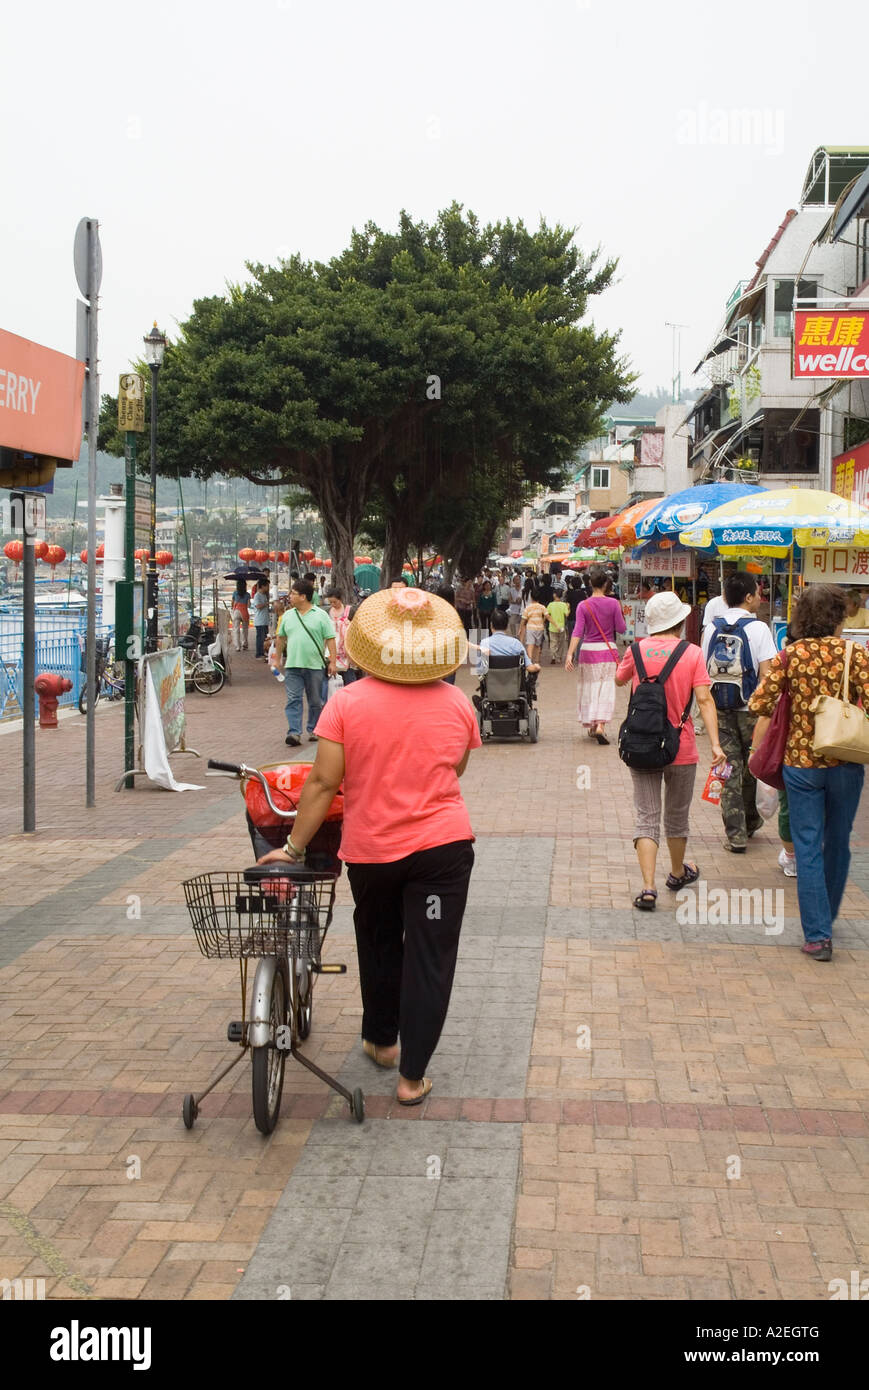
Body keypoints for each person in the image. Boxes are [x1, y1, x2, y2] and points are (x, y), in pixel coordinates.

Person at [256, 586, 480, 1104]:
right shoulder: (456, 703)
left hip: (372, 853)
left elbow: (320, 784)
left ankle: (382, 1041)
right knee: (431, 955)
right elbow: (456, 767)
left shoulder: (346, 704)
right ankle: (411, 1078)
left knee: (379, 941)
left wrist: (292, 849)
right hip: (442, 850)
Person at [748, 585, 869, 960]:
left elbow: (759, 703)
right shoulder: (856, 654)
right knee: (838, 841)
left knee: (806, 844)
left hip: (801, 762)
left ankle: (817, 934)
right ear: (839, 615)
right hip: (846, 759)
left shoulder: (791, 655)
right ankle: (826, 918)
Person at [615, 592, 726, 911]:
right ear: (679, 622)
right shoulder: (691, 654)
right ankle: (677, 872)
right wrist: (715, 744)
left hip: (642, 745)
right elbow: (705, 700)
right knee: (677, 818)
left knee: (646, 817)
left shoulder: (636, 650)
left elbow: (620, 680)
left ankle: (648, 888)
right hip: (682, 746)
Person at [701, 571, 776, 852]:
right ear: (748, 598)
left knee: (727, 770)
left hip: (719, 708)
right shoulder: (760, 629)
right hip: (751, 711)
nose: (760, 598)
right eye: (758, 593)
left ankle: (736, 834)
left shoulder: (711, 628)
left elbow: (703, 670)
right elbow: (767, 676)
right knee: (753, 766)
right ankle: (752, 821)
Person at [565, 564, 626, 744]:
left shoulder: (583, 605)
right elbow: (621, 628)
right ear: (606, 584)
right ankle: (600, 725)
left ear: (591, 584)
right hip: (608, 651)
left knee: (590, 688)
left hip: (588, 652)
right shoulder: (613, 603)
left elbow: (577, 631)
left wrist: (569, 654)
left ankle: (592, 725)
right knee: (605, 687)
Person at [276, 579, 337, 747]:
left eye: (293, 593)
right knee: (293, 699)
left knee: (315, 700)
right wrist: (277, 659)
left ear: (303, 597)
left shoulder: (320, 615)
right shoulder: (288, 615)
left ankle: (314, 729)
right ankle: (294, 732)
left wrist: (332, 661)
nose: (290, 596)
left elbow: (330, 639)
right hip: (293, 665)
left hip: (315, 666)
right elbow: (281, 639)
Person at [326, 588, 358, 684]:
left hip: (346, 650)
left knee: (349, 678)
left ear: (340, 599)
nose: (333, 605)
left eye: (334, 602)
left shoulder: (350, 611)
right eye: (330, 602)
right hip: (331, 649)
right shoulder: (328, 612)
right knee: (331, 679)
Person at [519, 589, 549, 664]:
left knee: (530, 644)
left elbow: (523, 620)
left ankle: (529, 660)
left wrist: (520, 628)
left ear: (531, 597)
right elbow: (546, 615)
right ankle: (537, 661)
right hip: (540, 628)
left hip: (530, 628)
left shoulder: (528, 607)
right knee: (538, 645)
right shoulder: (542, 607)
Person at [545, 591, 570, 665]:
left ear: (554, 595)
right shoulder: (563, 604)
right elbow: (567, 615)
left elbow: (547, 615)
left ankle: (553, 656)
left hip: (552, 627)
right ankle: (558, 657)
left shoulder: (550, 604)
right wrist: (568, 608)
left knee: (553, 642)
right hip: (561, 627)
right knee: (561, 643)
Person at [251, 578, 271, 658]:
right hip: (259, 621)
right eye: (267, 586)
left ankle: (263, 652)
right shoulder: (257, 596)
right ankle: (259, 653)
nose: (268, 588)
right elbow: (258, 606)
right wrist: (267, 603)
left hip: (265, 620)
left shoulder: (264, 595)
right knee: (260, 638)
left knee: (265, 638)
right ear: (262, 586)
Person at [231, 579, 251, 652]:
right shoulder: (247, 594)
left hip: (236, 611)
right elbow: (249, 605)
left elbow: (232, 603)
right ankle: (244, 644)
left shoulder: (235, 593)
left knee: (236, 630)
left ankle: (237, 646)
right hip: (244, 612)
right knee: (245, 630)